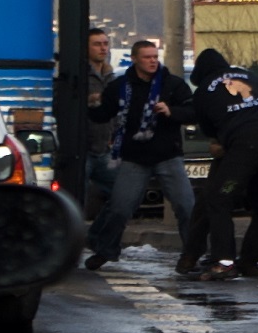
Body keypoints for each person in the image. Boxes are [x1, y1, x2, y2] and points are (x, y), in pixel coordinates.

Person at [184, 49, 258, 281]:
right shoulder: (244, 75)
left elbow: (210, 131)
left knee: (220, 197)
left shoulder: (202, 93)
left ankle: (224, 262)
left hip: (246, 148)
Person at [84, 40, 196, 270]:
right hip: (135, 157)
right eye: (147, 57)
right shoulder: (121, 87)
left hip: (168, 155)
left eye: (155, 56)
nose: (153, 61)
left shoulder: (172, 84)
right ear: (134, 59)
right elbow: (104, 114)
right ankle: (105, 250)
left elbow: (193, 111)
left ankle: (192, 255)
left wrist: (171, 111)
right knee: (120, 208)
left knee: (186, 206)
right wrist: (90, 104)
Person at [84, 28, 118, 215]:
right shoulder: (81, 75)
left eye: (105, 44)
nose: (102, 48)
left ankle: (99, 236)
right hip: (83, 149)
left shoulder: (110, 76)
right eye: (97, 44)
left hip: (105, 148)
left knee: (122, 196)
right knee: (76, 199)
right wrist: (91, 99)